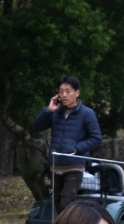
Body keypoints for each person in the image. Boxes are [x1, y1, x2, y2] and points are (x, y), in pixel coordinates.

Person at [33, 75, 103, 214]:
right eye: (61, 91)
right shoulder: (55, 112)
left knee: (66, 205)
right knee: (57, 205)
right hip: (55, 167)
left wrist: (77, 149)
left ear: (77, 93)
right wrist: (48, 110)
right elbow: (37, 127)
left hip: (74, 167)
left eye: (68, 91)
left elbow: (96, 138)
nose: (64, 95)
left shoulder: (87, 113)